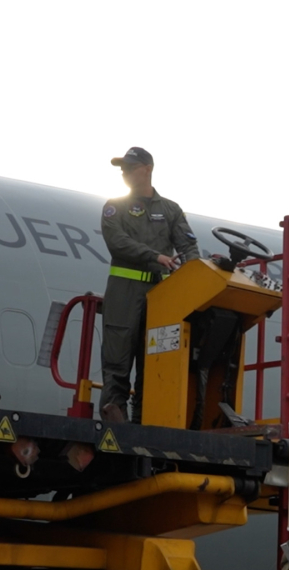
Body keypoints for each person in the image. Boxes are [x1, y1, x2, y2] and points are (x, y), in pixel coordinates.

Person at [99, 147, 200, 423]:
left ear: (147, 169)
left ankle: (144, 427)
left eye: (130, 168)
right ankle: (114, 428)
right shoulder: (114, 207)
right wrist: (154, 256)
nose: (124, 173)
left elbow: (189, 247)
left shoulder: (170, 210)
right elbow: (117, 242)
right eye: (122, 169)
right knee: (117, 364)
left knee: (155, 363)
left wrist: (194, 279)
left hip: (159, 297)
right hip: (123, 295)